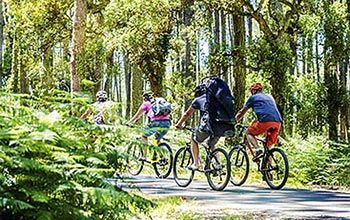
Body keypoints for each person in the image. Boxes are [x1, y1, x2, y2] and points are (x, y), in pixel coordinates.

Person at [175, 84, 233, 170]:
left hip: (208, 126)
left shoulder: (198, 100)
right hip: (221, 126)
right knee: (211, 144)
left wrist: (179, 124)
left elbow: (187, 114)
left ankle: (196, 163)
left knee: (194, 139)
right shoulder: (217, 99)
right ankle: (218, 164)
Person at [235, 83, 283, 161]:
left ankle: (258, 150)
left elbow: (241, 112)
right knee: (268, 148)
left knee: (248, 132)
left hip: (265, 121)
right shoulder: (270, 96)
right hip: (278, 122)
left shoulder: (253, 98)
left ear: (254, 91)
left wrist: (234, 121)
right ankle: (269, 170)